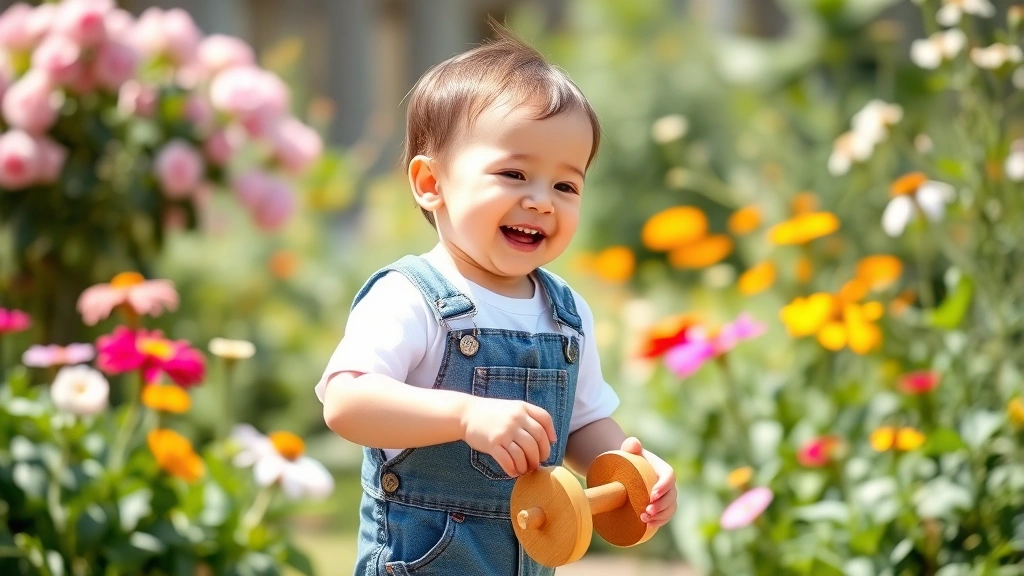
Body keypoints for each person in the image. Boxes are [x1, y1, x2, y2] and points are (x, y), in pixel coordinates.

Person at [317, 23, 678, 576]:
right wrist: (464, 415)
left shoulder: (566, 315)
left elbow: (583, 426)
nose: (541, 201)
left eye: (566, 185)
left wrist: (631, 466)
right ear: (430, 183)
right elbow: (347, 404)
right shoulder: (410, 298)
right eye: (514, 174)